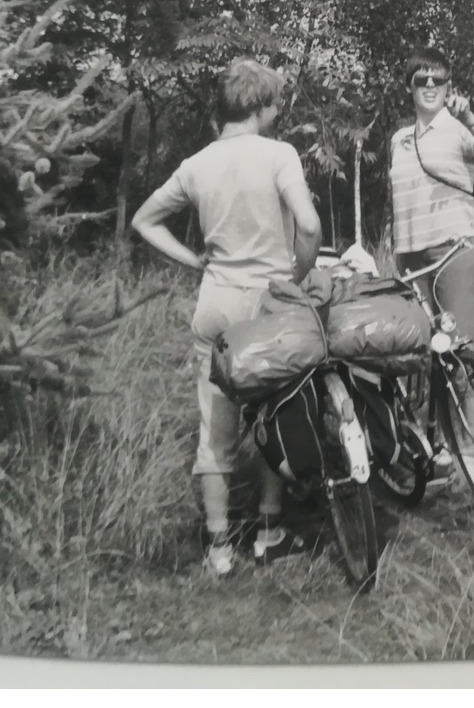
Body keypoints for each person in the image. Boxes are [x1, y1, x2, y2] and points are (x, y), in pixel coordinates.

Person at [131, 59, 323, 577]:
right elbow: (308, 224)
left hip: (215, 305)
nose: (277, 113)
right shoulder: (279, 155)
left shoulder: (196, 164)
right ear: (261, 107)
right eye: (275, 104)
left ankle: (219, 549)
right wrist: (297, 275)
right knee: (274, 416)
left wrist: (194, 260)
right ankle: (267, 531)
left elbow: (144, 220)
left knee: (214, 432)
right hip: (267, 305)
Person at [388, 47, 474, 476]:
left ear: (449, 87)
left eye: (437, 80)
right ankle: (441, 443)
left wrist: (470, 117)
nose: (430, 87)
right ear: (409, 88)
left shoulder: (457, 129)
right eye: (421, 80)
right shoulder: (399, 140)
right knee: (427, 354)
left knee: (462, 351)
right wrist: (399, 257)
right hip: (414, 259)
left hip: (459, 249)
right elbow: (400, 204)